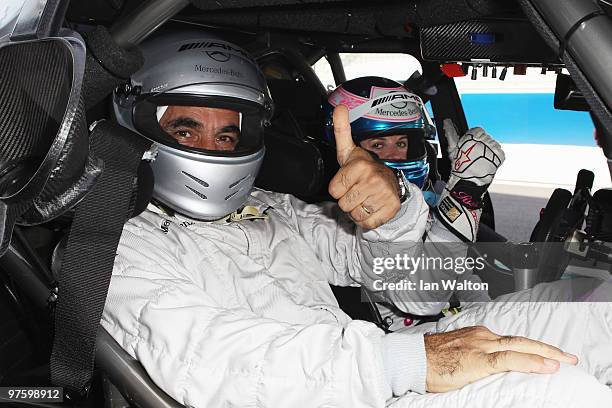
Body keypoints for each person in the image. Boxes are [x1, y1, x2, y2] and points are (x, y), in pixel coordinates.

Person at [105, 31, 612, 407]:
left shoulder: (271, 211)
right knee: (562, 392)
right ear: (136, 129)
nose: (210, 149)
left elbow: (422, 292)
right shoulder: (117, 242)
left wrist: (391, 218)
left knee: (594, 309)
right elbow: (215, 362)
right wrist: (415, 362)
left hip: (369, 368)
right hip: (321, 391)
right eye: (186, 130)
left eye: (226, 136)